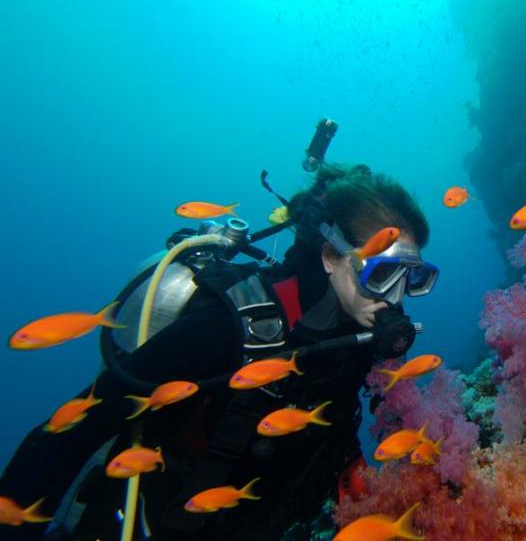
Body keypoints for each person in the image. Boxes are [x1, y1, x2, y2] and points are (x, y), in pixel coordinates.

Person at [0, 163, 438, 540]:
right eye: (382, 274)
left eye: (412, 279)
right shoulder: (232, 326)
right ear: (330, 255)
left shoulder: (360, 337)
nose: (396, 299)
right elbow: (72, 430)